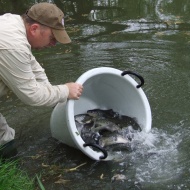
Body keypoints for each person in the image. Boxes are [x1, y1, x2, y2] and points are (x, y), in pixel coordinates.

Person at [0, 2, 83, 158]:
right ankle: (10, 174)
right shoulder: (13, 46)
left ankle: (9, 169)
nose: (53, 44)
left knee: (3, 135)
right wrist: (65, 90)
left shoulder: (14, 24)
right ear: (34, 29)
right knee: (3, 136)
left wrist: (54, 98)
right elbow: (31, 95)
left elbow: (33, 66)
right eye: (52, 37)